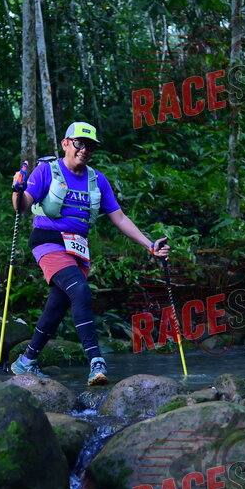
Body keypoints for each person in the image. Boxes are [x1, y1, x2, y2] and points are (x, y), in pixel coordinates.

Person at [11, 122, 169, 385]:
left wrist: (150, 245)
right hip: (49, 242)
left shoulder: (97, 180)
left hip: (77, 248)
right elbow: (22, 205)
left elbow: (119, 217)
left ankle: (26, 361)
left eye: (90, 146)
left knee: (58, 304)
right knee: (81, 291)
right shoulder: (46, 170)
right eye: (79, 143)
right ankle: (96, 361)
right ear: (65, 143)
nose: (84, 150)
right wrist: (17, 190)